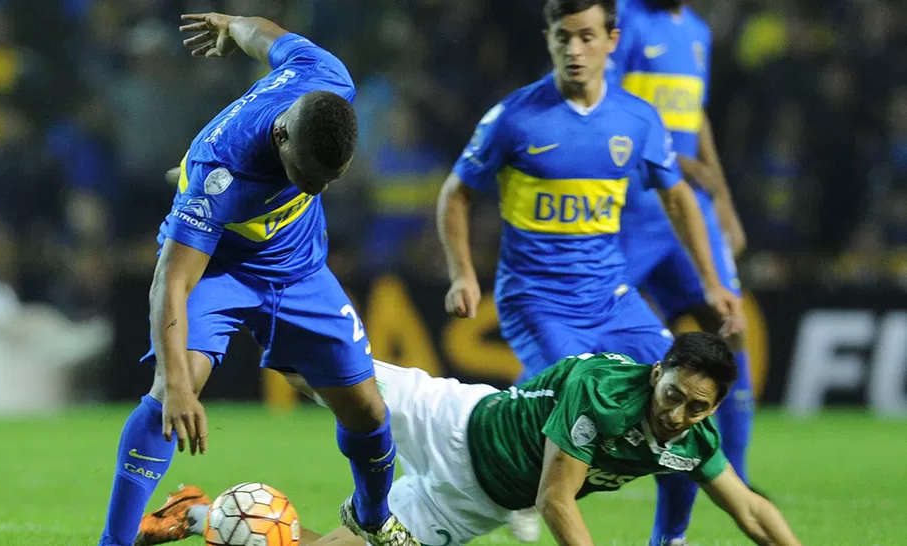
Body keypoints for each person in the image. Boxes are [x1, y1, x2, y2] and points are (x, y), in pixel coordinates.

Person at [97, 13, 416, 546]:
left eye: (327, 180)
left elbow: (265, 36)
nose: (315, 189)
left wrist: (231, 24)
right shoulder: (221, 172)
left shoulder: (327, 76)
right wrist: (178, 385)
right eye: (307, 175)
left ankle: (372, 516)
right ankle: (116, 540)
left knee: (366, 409)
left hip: (298, 272)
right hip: (219, 270)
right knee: (173, 390)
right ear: (283, 133)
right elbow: (170, 284)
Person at [434, 0, 745, 540]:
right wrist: (463, 272)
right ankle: (527, 486)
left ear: (611, 39)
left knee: (682, 409)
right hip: (536, 301)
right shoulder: (515, 117)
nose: (574, 50)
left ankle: (668, 538)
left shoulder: (636, 119)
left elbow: (678, 199)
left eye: (585, 37)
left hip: (613, 297)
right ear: (548, 39)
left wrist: (713, 281)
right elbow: (455, 195)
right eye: (563, 38)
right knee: (590, 396)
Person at [136, 332, 802, 546]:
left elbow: (749, 509)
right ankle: (234, 307)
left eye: (697, 408)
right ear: (655, 374)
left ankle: (193, 513)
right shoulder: (603, 390)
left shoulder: (692, 438)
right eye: (672, 396)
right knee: (324, 376)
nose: (679, 414)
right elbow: (557, 500)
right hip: (454, 423)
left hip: (471, 505)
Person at [607, 1, 753, 543]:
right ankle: (527, 455)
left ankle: (733, 479)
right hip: (633, 209)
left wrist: (724, 202)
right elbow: (607, 100)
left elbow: (697, 115)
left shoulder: (696, 31)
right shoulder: (620, 19)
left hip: (691, 211)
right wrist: (669, 156)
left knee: (730, 330)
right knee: (591, 331)